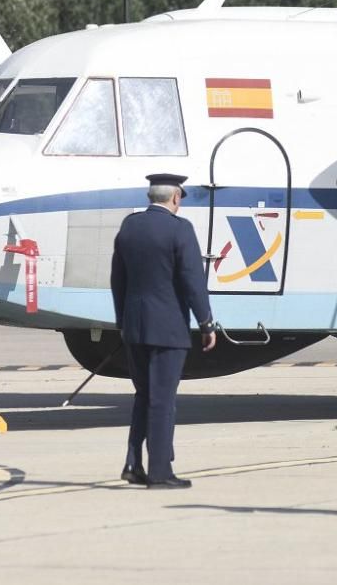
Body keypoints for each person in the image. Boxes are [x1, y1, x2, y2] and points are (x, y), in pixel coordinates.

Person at [111, 173, 217, 489]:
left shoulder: (129, 226)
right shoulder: (179, 229)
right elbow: (192, 280)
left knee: (143, 395)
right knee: (162, 400)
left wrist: (122, 321)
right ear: (175, 198)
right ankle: (159, 471)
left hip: (134, 326)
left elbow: (118, 279)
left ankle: (133, 461)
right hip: (167, 328)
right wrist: (206, 322)